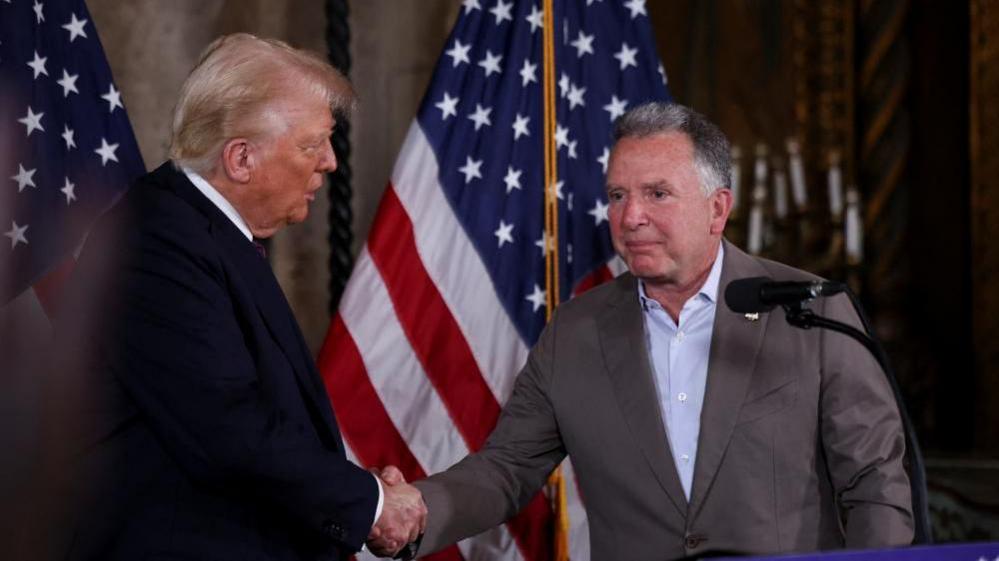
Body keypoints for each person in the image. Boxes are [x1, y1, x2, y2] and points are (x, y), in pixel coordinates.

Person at [377, 102, 913, 560]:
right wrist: (418, 510)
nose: (630, 216)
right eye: (616, 195)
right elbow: (508, 468)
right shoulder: (576, 330)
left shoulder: (811, 313)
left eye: (657, 193)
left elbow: (873, 483)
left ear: (717, 208)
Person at [54, 34, 425, 560]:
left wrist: (353, 489)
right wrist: (369, 504)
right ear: (241, 158)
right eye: (311, 144)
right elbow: (229, 431)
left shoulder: (205, 233)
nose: (330, 163)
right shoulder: (155, 242)